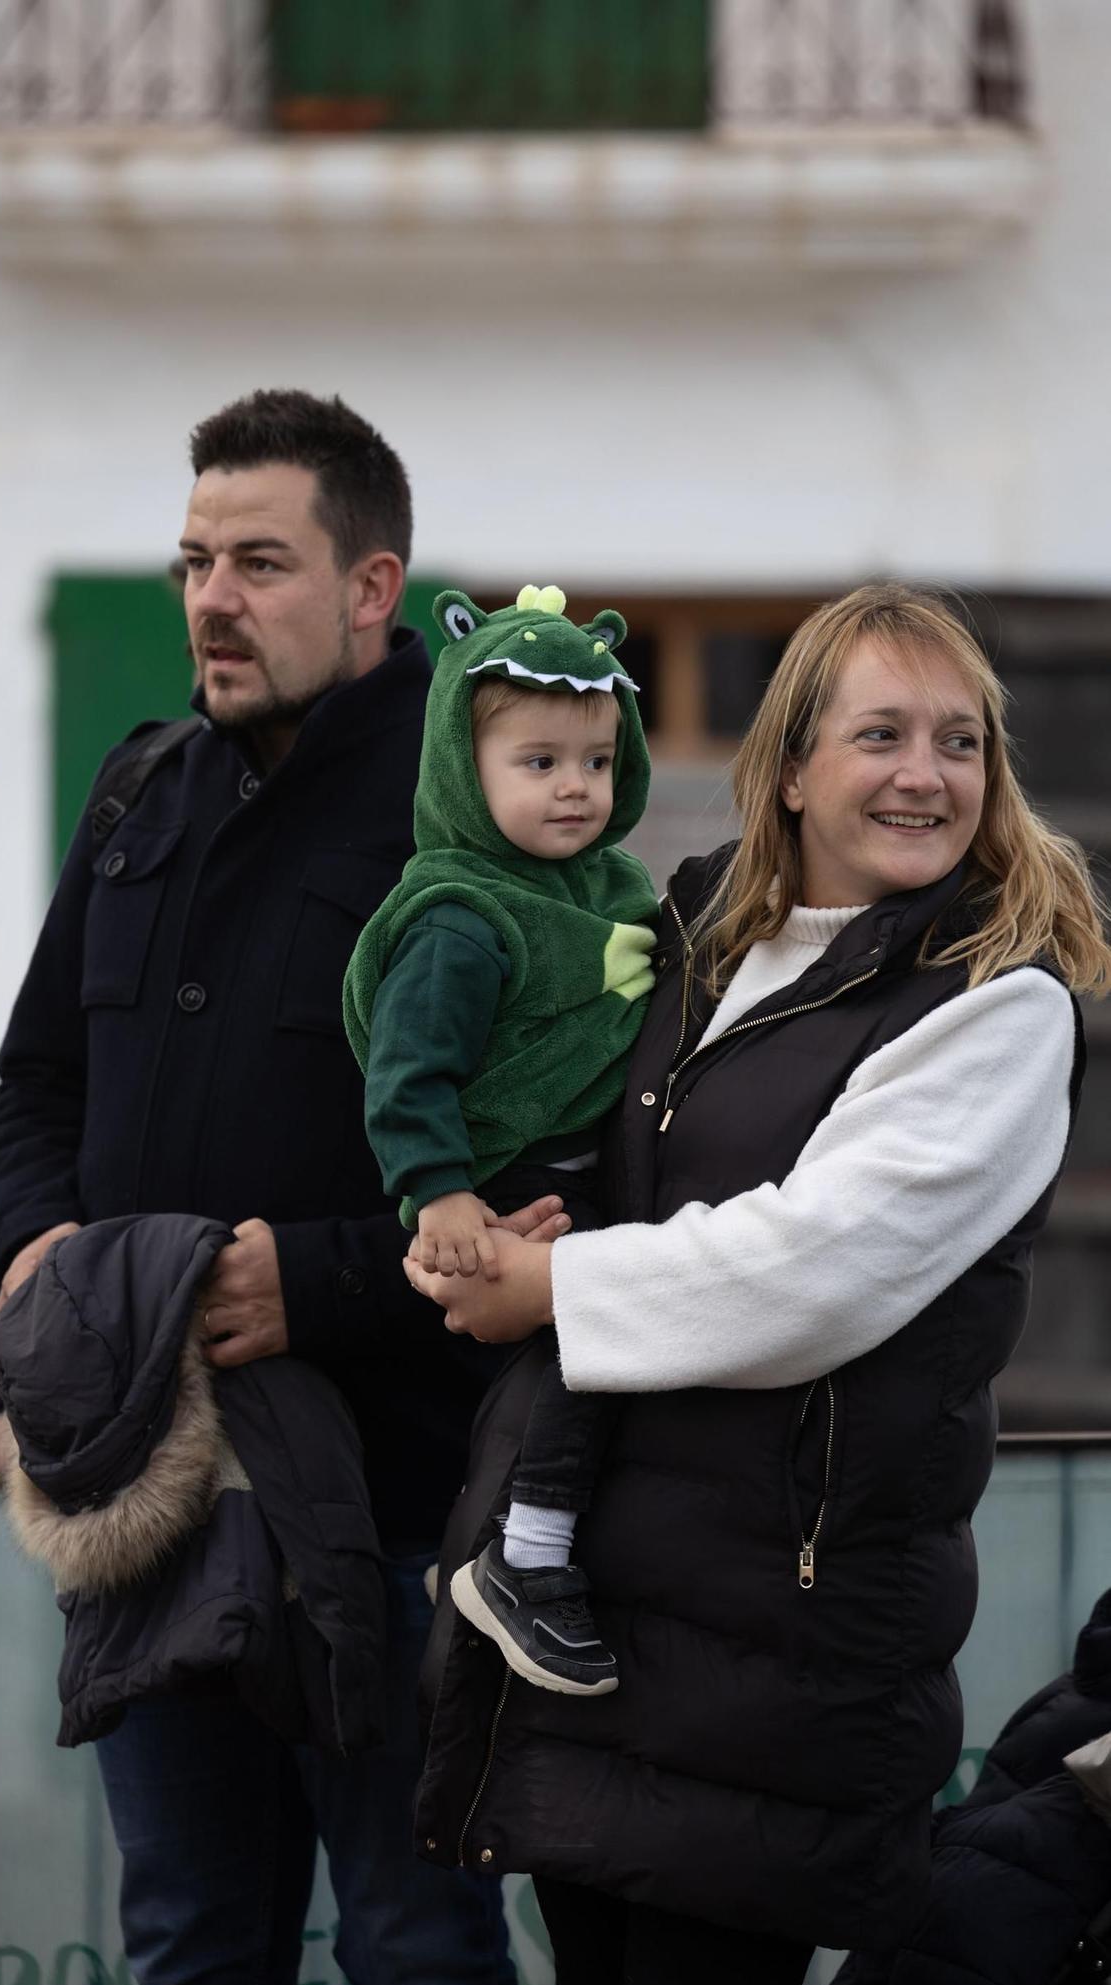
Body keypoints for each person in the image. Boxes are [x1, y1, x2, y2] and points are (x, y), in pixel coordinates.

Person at [405, 583, 1111, 1985]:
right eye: (882, 735)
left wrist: (549, 1286)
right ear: (789, 767)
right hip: (594, 1627)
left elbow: (813, 1270)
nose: (925, 774)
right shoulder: (697, 944)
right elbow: (599, 1162)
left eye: (959, 742)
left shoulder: (995, 1002)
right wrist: (476, 1221)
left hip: (778, 1665)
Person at [0, 389, 560, 1985]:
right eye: (189, 565)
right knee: (192, 1952)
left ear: (372, 589)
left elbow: (544, 1187)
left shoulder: (484, 826)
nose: (210, 602)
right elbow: (36, 1089)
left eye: (256, 563)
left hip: (403, 1516)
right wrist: (34, 1270)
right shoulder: (138, 792)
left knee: (418, 1953)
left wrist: (312, 1280)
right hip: (152, 1501)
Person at [344, 583, 658, 1695]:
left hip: (588, 1160)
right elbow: (408, 1068)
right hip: (513, 1176)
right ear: (462, 772)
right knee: (599, 1338)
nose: (575, 787)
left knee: (601, 1358)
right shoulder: (461, 918)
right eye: (538, 762)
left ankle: (486, 1547)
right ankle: (522, 1558)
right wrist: (439, 1194)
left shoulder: (599, 889)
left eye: (596, 761)